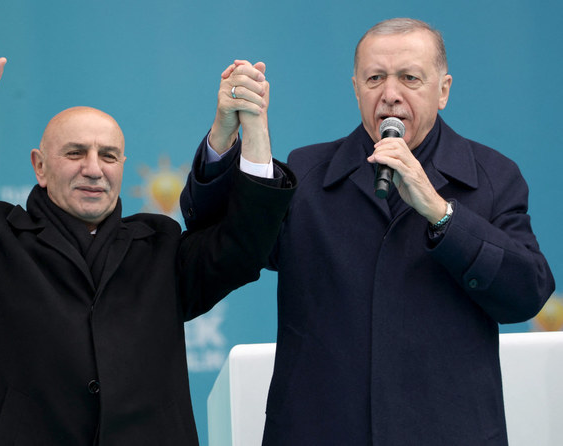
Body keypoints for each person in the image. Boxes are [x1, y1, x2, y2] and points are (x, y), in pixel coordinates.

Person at [0, 17, 295, 445]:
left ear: (123, 167)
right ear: (40, 166)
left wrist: (251, 129)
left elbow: (244, 246)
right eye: (75, 153)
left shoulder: (160, 246)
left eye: (108, 156)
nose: (93, 169)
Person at [182, 18, 556, 445]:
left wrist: (440, 212)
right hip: (319, 429)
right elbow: (223, 242)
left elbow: (527, 292)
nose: (390, 94)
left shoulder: (491, 176)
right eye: (375, 78)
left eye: (410, 78)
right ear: (356, 88)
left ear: (444, 90)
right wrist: (226, 134)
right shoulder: (307, 173)